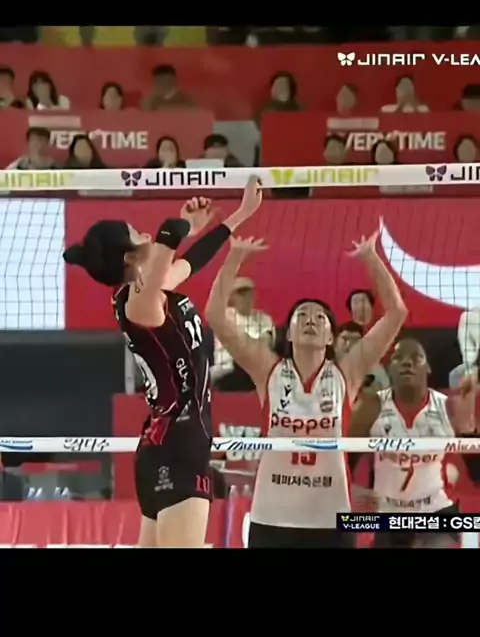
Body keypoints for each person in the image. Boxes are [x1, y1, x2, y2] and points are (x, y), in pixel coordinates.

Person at [63, 177, 262, 548]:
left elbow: (192, 259)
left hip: (165, 444)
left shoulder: (149, 292)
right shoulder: (139, 303)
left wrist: (239, 216)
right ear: (128, 256)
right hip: (180, 446)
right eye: (135, 233)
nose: (143, 233)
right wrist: (182, 225)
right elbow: (170, 232)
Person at [205, 221, 407, 548]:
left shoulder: (346, 372)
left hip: (331, 518)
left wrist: (371, 257)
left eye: (319, 317)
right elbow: (215, 314)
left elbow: (396, 312)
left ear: (330, 337)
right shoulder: (267, 368)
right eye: (302, 315)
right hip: (271, 517)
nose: (310, 319)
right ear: (288, 332)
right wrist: (235, 257)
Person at [348, 337, 476, 549]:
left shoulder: (449, 407)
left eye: (416, 358)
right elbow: (342, 450)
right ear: (389, 368)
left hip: (437, 511)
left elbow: (474, 468)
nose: (407, 362)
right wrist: (350, 487)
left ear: (428, 368)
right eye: (398, 358)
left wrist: (470, 427)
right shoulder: (372, 406)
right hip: (388, 514)